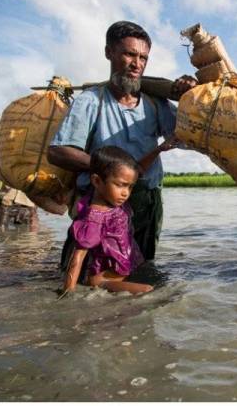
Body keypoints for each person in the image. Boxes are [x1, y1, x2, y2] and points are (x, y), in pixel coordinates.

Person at [48, 20, 196, 271]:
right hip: (100, 203)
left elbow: (190, 138)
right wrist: (111, 171)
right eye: (129, 54)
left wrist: (192, 98)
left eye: (143, 58)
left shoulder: (155, 103)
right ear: (109, 53)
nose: (136, 64)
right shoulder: (90, 101)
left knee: (139, 271)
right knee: (86, 273)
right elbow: (58, 152)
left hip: (146, 203)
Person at [60, 146, 160, 297]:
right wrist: (67, 292)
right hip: (104, 278)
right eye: (120, 185)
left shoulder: (115, 202)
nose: (126, 193)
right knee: (148, 291)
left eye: (130, 186)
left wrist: (158, 149)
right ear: (97, 181)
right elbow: (78, 257)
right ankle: (94, 285)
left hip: (124, 268)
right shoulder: (95, 218)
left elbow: (139, 170)